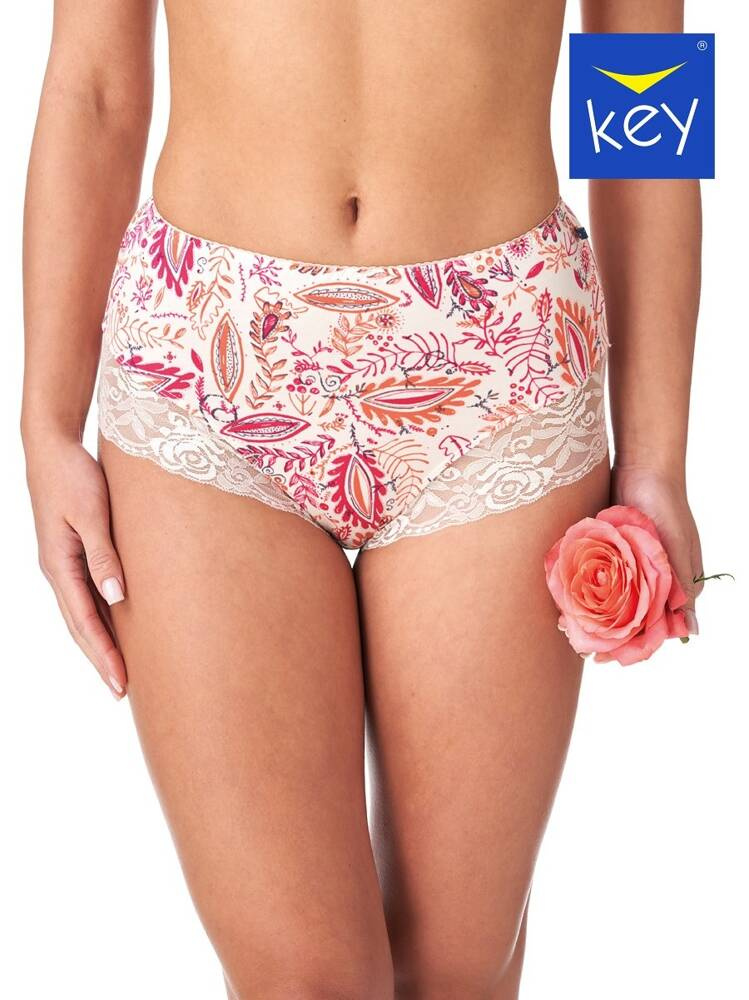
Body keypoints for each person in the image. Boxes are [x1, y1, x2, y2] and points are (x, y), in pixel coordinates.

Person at [21, 2, 703, 997]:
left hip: (502, 357)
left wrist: (656, 460)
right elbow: (92, 86)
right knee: (306, 979)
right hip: (206, 353)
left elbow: (643, 78)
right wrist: (45, 421)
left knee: (453, 972)